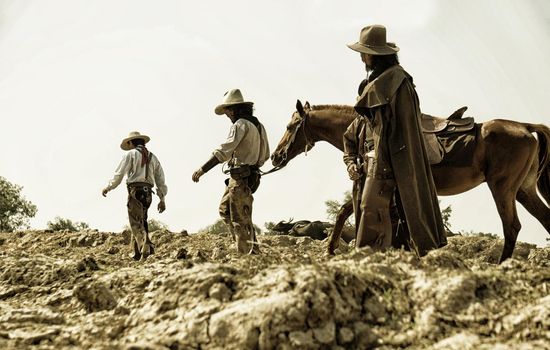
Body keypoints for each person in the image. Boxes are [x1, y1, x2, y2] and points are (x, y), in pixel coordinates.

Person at [343, 25, 446, 256]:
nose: (361, 57)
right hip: (378, 160)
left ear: (376, 55)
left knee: (372, 208)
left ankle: (371, 259)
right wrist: (354, 162)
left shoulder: (396, 82)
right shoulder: (383, 81)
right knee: (371, 208)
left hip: (390, 159)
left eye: (364, 53)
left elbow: (399, 129)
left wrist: (382, 162)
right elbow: (355, 133)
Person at [192, 89, 270, 254]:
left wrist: (202, 169)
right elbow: (266, 154)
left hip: (240, 177)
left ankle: (245, 253)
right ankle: (252, 249)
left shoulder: (240, 124)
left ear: (233, 110)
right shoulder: (259, 126)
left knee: (238, 218)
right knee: (226, 210)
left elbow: (223, 151)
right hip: (252, 176)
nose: (227, 115)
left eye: (227, 111)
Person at [102, 131, 167, 261]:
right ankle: (137, 254)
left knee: (136, 223)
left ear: (131, 142)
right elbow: (161, 179)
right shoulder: (153, 157)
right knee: (142, 221)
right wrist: (162, 198)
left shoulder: (130, 154)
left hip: (135, 191)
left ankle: (146, 249)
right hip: (148, 193)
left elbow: (119, 175)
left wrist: (108, 187)